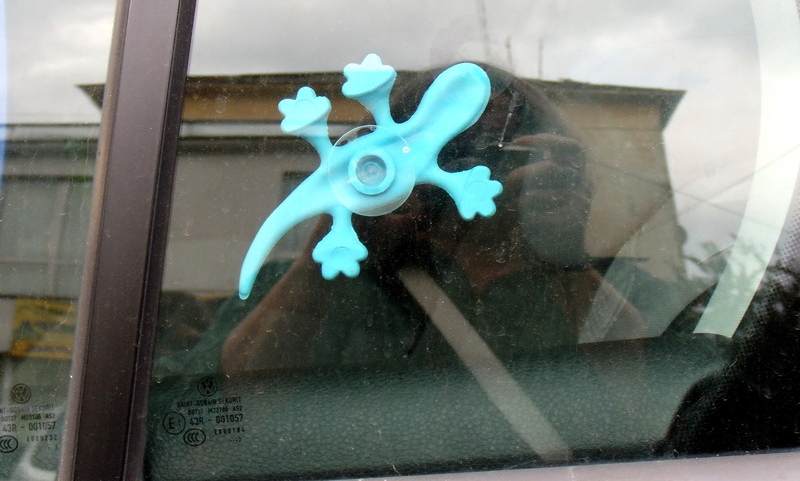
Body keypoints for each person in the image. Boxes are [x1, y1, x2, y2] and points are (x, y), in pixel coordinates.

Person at [218, 64, 646, 373]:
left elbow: (637, 399)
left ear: (549, 171)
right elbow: (239, 387)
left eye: (495, 155)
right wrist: (328, 246)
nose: (460, 173)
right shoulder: (337, 284)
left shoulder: (601, 288)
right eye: (446, 152)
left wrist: (561, 254)